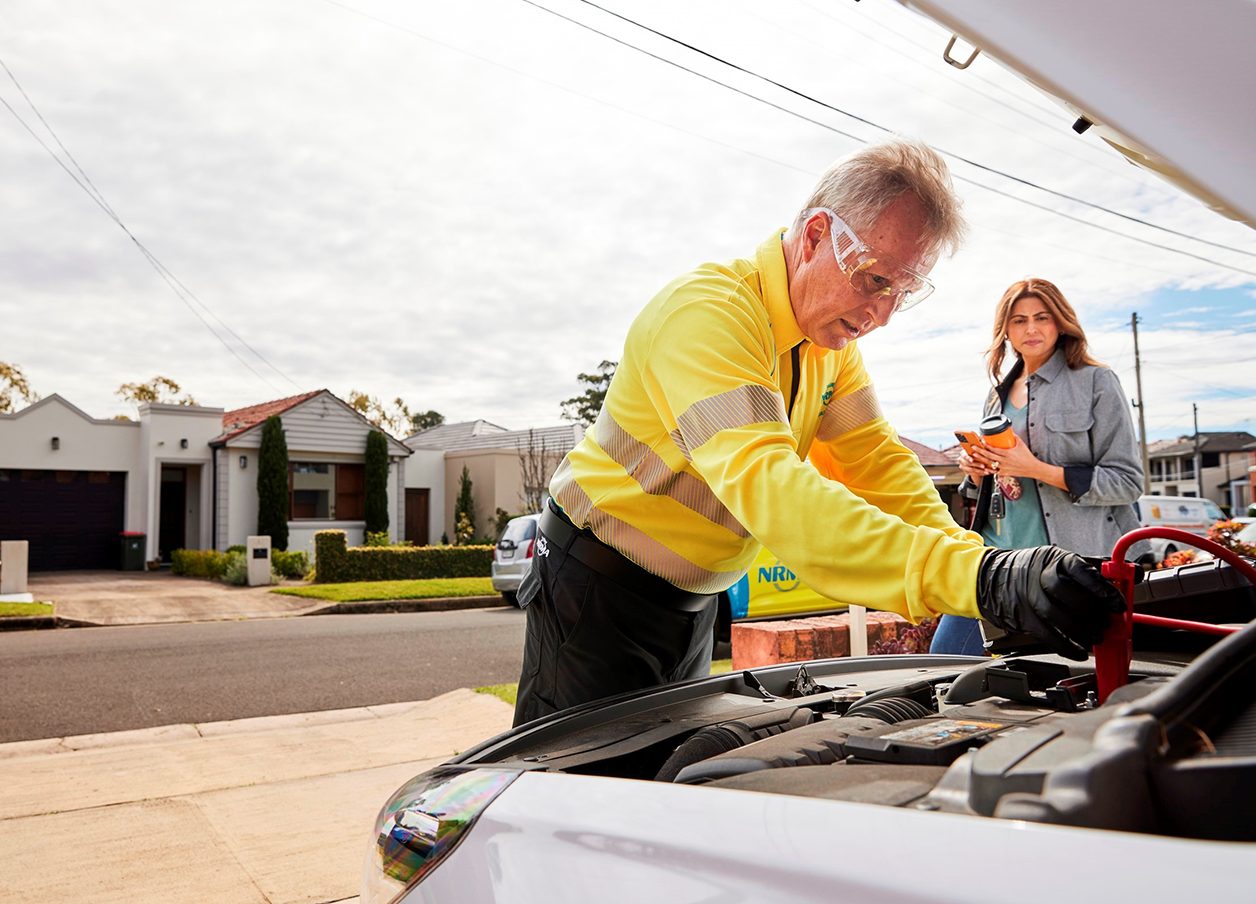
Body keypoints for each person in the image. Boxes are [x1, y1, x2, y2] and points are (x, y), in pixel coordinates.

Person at [513, 140, 1123, 726]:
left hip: (693, 602)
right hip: (594, 592)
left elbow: (878, 465)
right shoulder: (707, 315)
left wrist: (988, 567)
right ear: (815, 236)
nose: (880, 315)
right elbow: (775, 490)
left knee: (658, 791)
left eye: (902, 293)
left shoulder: (827, 344)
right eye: (874, 280)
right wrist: (976, 579)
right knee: (572, 802)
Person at [931, 278, 1145, 655]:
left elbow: (1127, 482)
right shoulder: (995, 398)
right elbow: (997, 485)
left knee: (1044, 687)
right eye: (1018, 320)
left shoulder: (1097, 382)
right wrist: (977, 471)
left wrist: (1037, 468)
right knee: (946, 659)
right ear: (1006, 331)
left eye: (1041, 317)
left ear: (1060, 322)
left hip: (1062, 571)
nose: (1030, 329)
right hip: (997, 562)